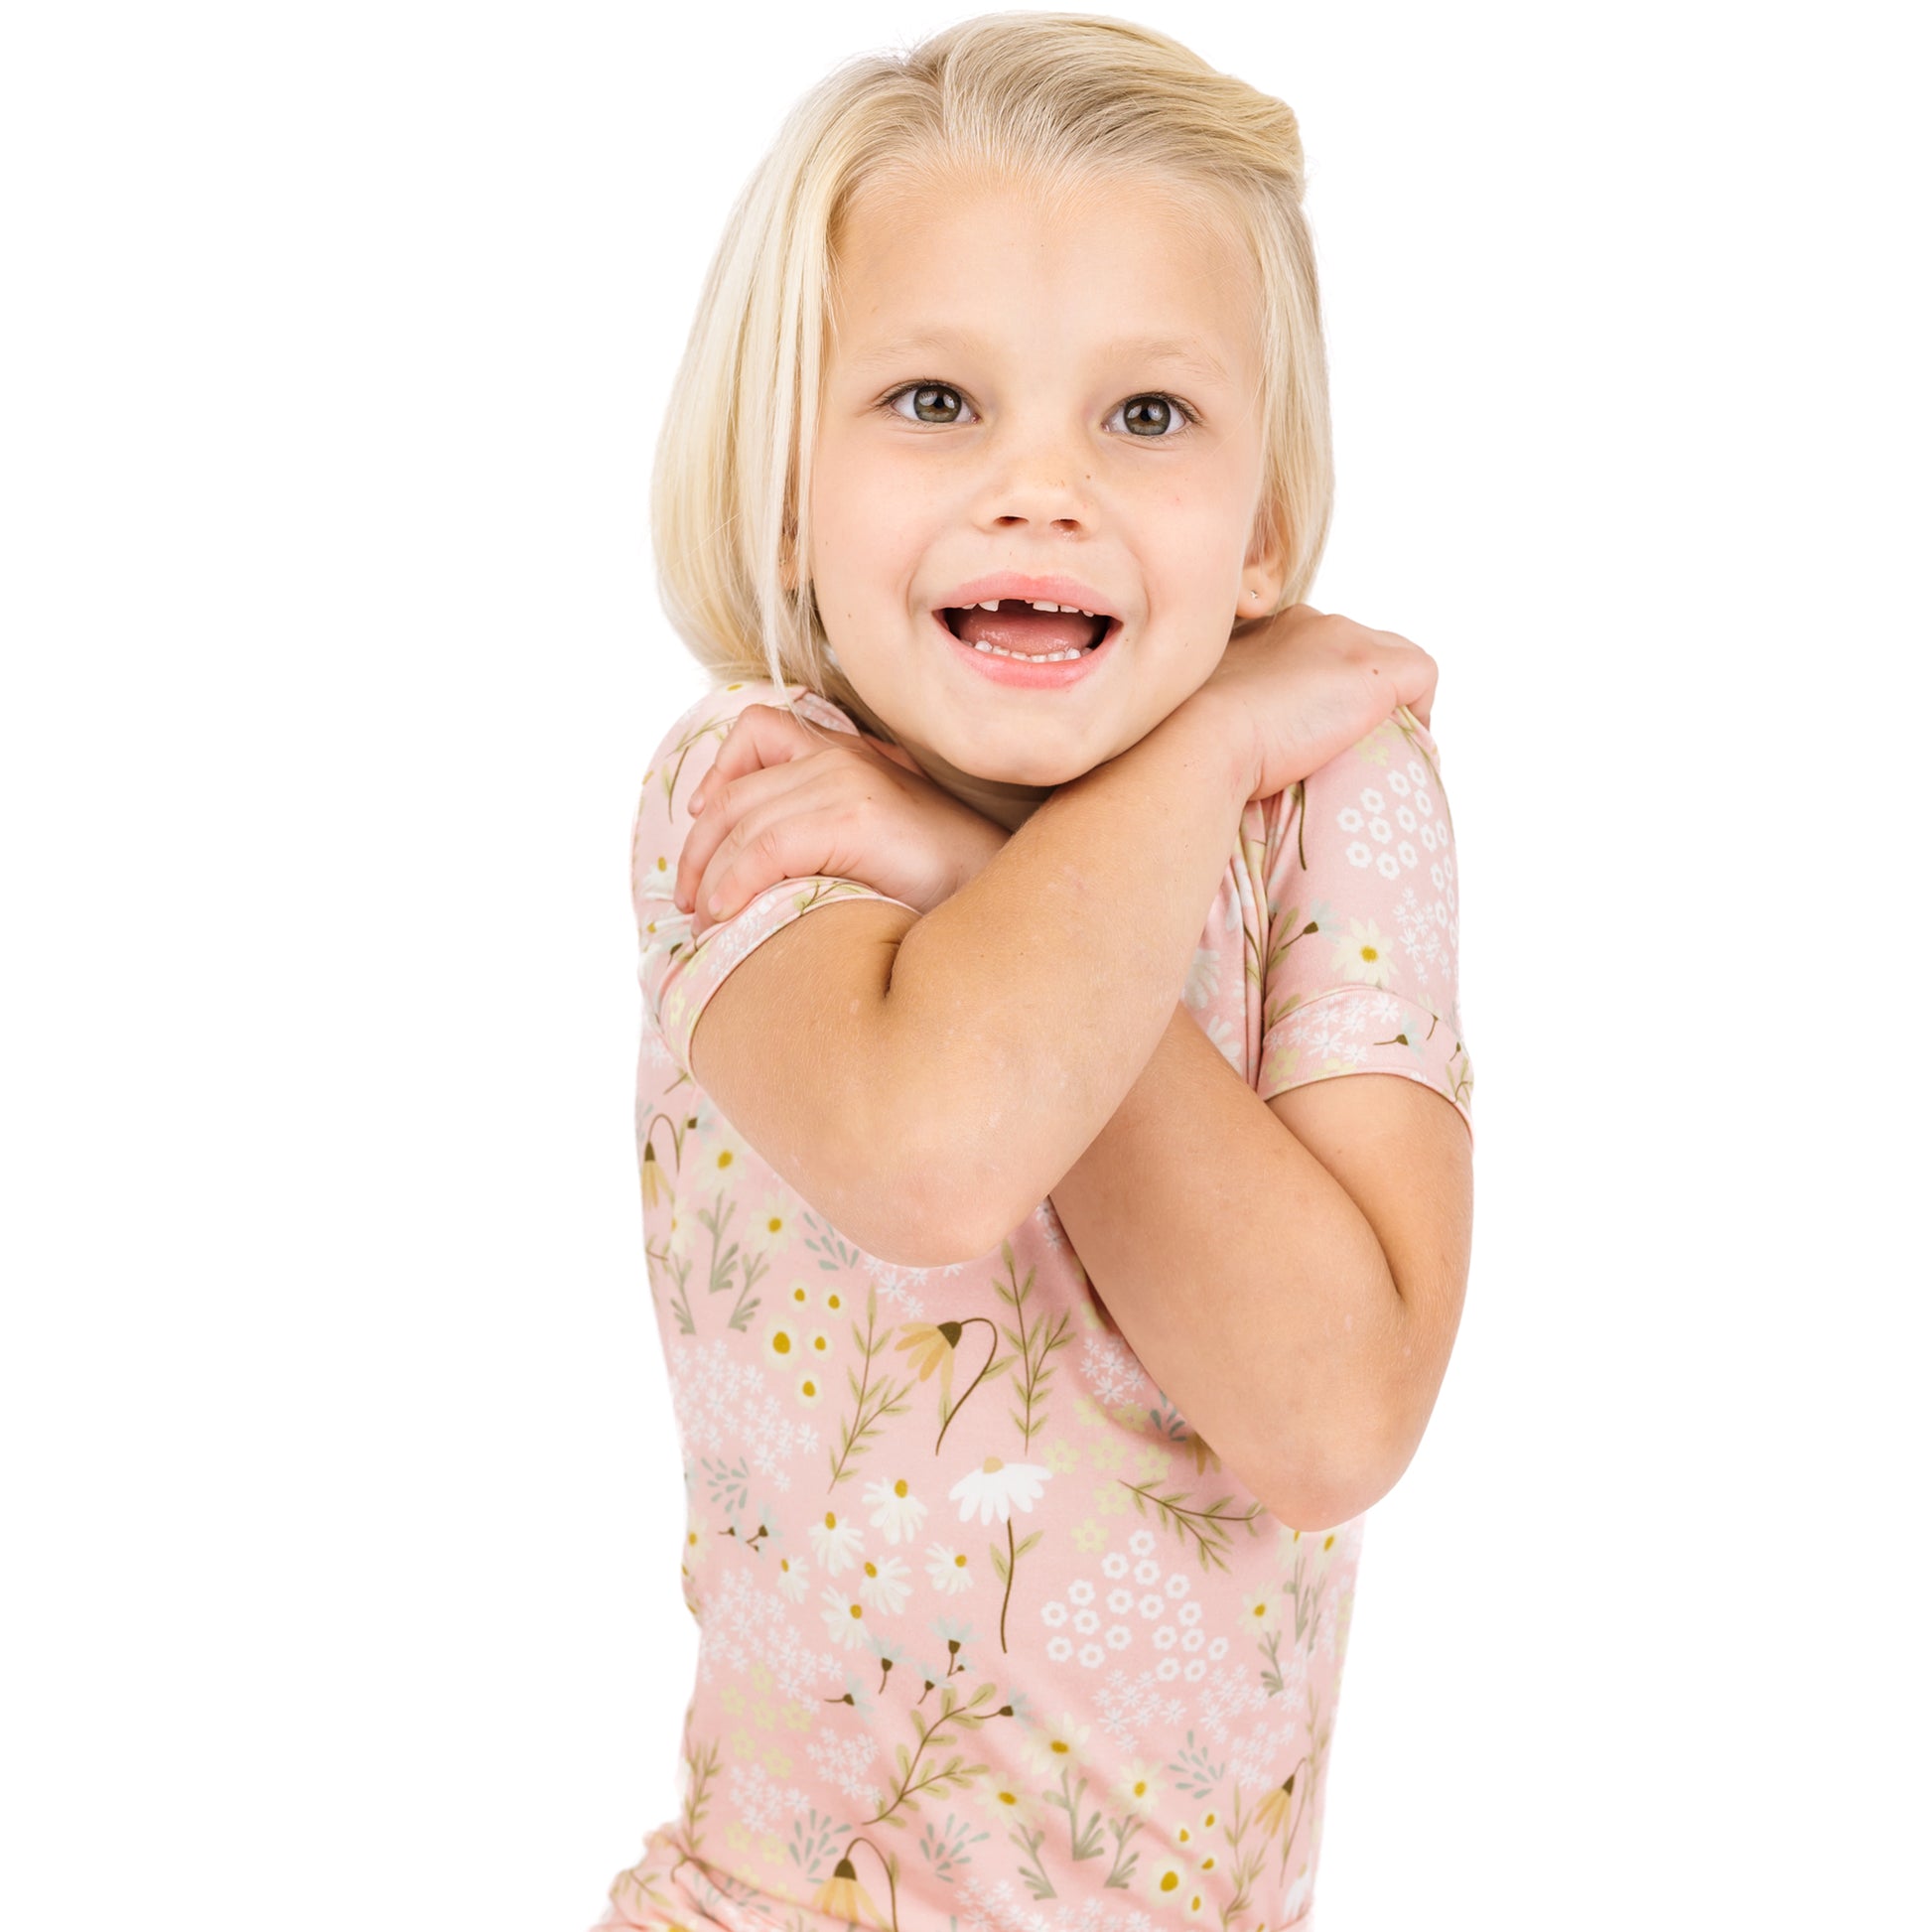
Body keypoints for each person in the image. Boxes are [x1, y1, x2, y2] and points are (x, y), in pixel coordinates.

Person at [596, 14, 1474, 1929]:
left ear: (1258, 528)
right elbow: (939, 1146)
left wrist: (1029, 846)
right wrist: (1188, 754)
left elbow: (1329, 1421)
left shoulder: (1329, 793)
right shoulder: (756, 791)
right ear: (784, 485)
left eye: (1144, 417)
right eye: (934, 402)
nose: (1040, 490)